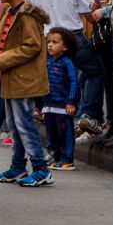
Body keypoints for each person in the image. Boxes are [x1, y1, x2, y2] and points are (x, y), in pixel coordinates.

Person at [26, 0, 104, 132]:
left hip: (47, 38)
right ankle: (88, 114)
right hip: (71, 36)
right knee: (95, 71)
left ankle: (57, 114)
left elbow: (29, 16)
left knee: (57, 79)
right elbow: (88, 14)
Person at [0, 0, 53, 187]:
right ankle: (17, 167)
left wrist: (2, 59)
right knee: (14, 126)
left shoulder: (28, 14)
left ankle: (41, 169)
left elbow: (32, 46)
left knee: (25, 125)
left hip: (23, 78)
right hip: (11, 76)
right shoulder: (9, 10)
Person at [43, 28, 80, 170]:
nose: (50, 45)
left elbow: (74, 82)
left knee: (65, 132)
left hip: (63, 106)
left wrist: (71, 101)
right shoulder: (48, 61)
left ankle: (67, 159)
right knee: (52, 133)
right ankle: (57, 157)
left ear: (65, 47)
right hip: (49, 105)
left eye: (55, 42)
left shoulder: (67, 62)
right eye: (49, 42)